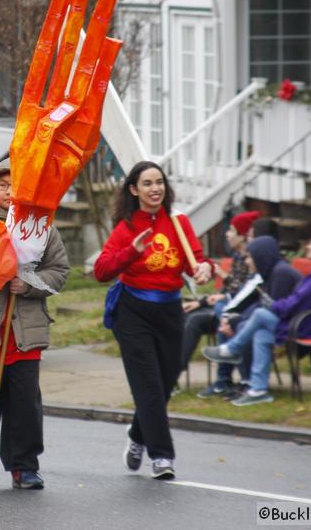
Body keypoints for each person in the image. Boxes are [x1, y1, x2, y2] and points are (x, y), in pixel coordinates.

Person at [93, 161, 213, 481]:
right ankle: (161, 457)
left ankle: (137, 435)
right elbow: (101, 271)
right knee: (147, 385)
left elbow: (195, 261)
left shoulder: (179, 222)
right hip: (132, 311)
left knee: (164, 382)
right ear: (134, 190)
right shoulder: (126, 228)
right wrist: (131, 252)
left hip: (171, 311)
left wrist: (204, 269)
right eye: (147, 183)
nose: (155, 188)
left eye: (159, 182)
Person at [0, 159, 69, 490]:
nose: (9, 191)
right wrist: (0, 268)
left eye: (15, 185)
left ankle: (24, 465)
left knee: (25, 406)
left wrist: (28, 284)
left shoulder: (43, 228)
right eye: (3, 185)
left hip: (25, 333)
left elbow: (59, 273)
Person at [203, 229, 311, 406]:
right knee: (262, 335)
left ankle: (232, 350)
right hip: (310, 321)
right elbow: (299, 300)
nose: (308, 246)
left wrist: (273, 306)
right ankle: (258, 390)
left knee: (260, 314)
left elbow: (297, 302)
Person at [182, 210, 260, 398]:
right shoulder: (239, 257)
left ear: (243, 235)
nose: (227, 233)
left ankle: (224, 380)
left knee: (220, 313)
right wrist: (201, 301)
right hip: (229, 307)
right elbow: (230, 292)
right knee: (188, 316)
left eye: (232, 230)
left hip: (243, 312)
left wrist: (220, 274)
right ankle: (173, 375)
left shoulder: (254, 256)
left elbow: (246, 291)